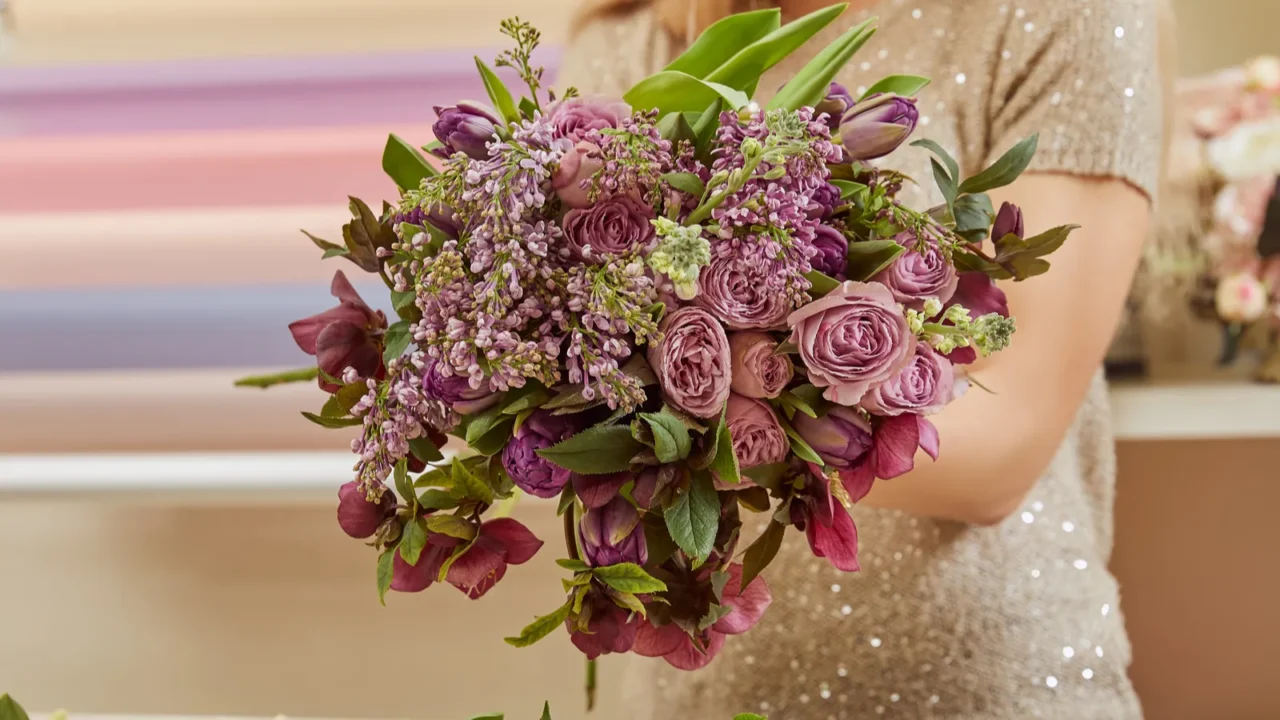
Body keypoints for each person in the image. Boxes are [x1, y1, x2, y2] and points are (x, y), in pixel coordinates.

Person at [559, 0, 1173, 717]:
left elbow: (1008, 448)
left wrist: (693, 428)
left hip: (989, 688)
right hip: (699, 695)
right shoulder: (628, 44)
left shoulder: (1066, 14)